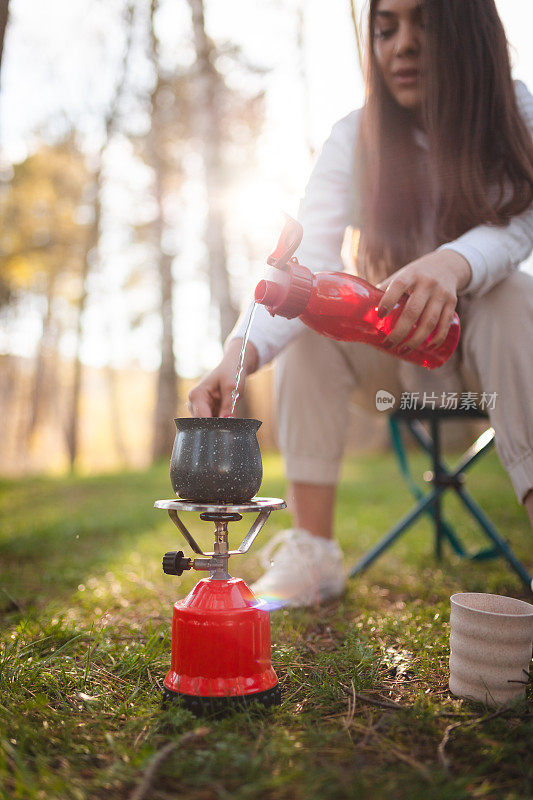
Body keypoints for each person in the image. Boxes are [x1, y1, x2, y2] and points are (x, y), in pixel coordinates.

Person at [189, 0, 533, 607]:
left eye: (425, 24)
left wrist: (451, 264)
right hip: (389, 367)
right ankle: (312, 553)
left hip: (487, 367)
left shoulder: (513, 109)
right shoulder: (354, 136)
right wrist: (236, 352)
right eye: (386, 27)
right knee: (309, 319)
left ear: (469, 29)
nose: (402, 44)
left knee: (515, 295)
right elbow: (304, 270)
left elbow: (522, 222)